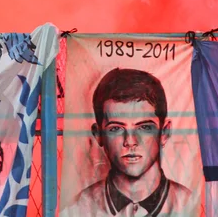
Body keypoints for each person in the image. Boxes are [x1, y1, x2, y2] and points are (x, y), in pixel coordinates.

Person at [60, 68, 192, 217]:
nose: (130, 141)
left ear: (164, 132)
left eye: (144, 127)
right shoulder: (77, 209)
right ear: (98, 135)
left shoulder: (189, 204)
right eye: (116, 128)